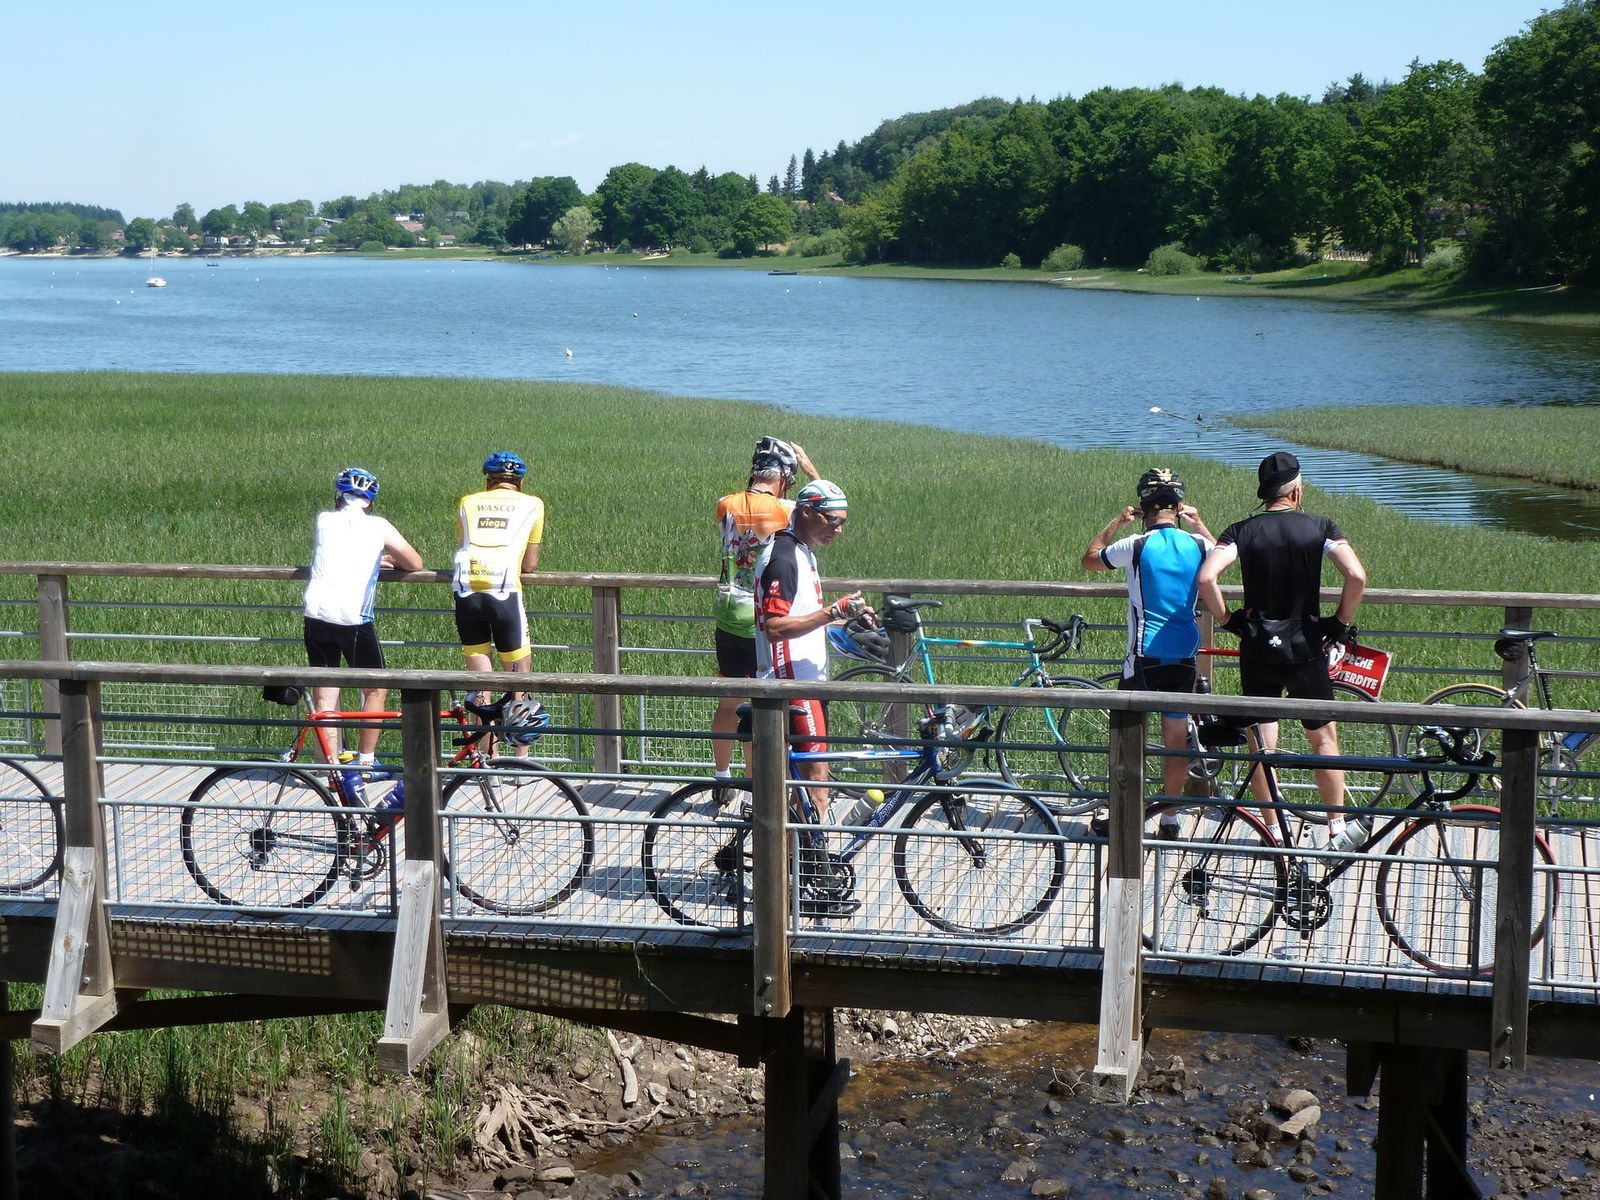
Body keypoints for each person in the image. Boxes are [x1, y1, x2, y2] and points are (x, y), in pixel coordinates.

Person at [1197, 451, 1368, 851]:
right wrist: (1337, 624)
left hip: (1258, 649)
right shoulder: (1320, 527)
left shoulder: (1240, 530)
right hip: (1305, 647)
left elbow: (1206, 577)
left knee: (1262, 743)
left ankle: (1273, 829)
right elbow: (1356, 575)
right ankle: (1336, 828)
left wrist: (1228, 620)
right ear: (1296, 490)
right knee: (1323, 740)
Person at [755, 479, 873, 915]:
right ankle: (813, 886)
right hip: (793, 683)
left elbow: (806, 616)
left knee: (801, 791)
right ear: (806, 511)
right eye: (833, 520)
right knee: (816, 786)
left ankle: (790, 874)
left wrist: (846, 618)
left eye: (843, 522)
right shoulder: (785, 557)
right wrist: (831, 612)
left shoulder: (802, 550)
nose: (838, 529)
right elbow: (774, 627)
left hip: (807, 680)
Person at [1081, 467, 1217, 812]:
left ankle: (1127, 816)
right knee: (1175, 743)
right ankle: (1169, 817)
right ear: (1179, 506)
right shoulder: (1199, 544)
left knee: (1128, 742)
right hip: (1184, 653)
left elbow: (1090, 560)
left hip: (1143, 656)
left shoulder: (1136, 545)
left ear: (1144, 508)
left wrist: (1117, 522)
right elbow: (1222, 557)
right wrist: (1199, 523)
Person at [711, 436, 819, 787]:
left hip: (729, 614)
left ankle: (722, 778)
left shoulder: (725, 505)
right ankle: (754, 789)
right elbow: (821, 511)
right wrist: (811, 470)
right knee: (762, 708)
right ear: (784, 477)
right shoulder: (787, 510)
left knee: (728, 703)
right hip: (763, 619)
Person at [302, 467, 424, 767]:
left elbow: (339, 551)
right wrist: (382, 559)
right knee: (375, 688)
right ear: (370, 502)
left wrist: (373, 559)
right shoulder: (379, 526)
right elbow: (415, 563)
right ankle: (366, 762)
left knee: (326, 694)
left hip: (316, 614)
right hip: (353, 619)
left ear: (338, 497)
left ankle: (330, 768)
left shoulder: (324, 520)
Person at [451, 451, 544, 693]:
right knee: (518, 682)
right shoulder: (533, 504)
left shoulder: (467, 501)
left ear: (488, 482)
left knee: (480, 683)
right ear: (520, 483)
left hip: (466, 588)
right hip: (505, 590)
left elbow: (465, 542)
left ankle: (482, 718)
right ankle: (516, 716)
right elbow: (529, 565)